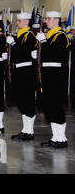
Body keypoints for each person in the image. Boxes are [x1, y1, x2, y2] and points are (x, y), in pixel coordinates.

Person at [37, 11, 70, 148]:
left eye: (49, 19)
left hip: (56, 76)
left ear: (57, 20)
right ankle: (55, 137)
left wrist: (43, 43)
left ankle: (62, 139)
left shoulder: (61, 36)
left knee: (56, 107)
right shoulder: (49, 36)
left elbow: (54, 53)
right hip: (48, 75)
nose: (47, 21)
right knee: (49, 107)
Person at [8, 12, 38, 141]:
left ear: (26, 22)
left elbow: (24, 52)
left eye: (19, 21)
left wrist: (13, 44)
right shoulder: (19, 35)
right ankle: (25, 130)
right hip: (18, 71)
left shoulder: (29, 35)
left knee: (28, 101)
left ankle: (29, 131)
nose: (17, 23)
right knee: (21, 102)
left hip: (26, 71)